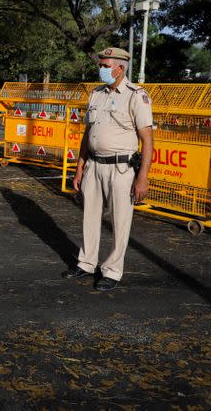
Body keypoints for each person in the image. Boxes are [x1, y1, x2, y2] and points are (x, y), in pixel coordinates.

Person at [63, 47, 154, 291]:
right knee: (89, 217)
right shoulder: (96, 94)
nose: (100, 69)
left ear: (119, 68)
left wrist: (142, 177)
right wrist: (80, 168)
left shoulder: (136, 96)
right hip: (94, 165)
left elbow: (148, 140)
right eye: (100, 65)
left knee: (119, 221)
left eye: (105, 66)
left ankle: (112, 270)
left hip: (121, 169)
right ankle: (86, 262)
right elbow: (87, 134)